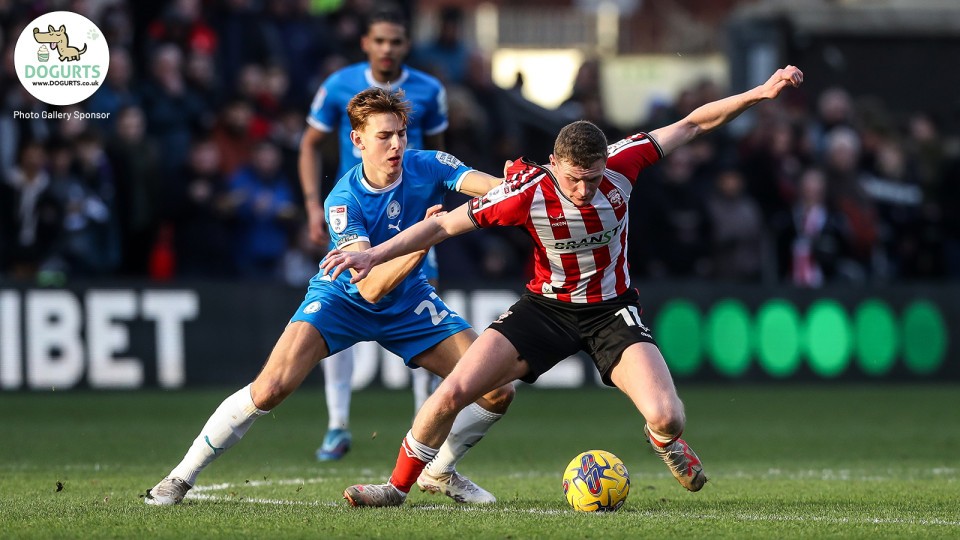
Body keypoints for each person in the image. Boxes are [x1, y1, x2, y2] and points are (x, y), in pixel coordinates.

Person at [323, 65, 805, 506]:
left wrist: (760, 93)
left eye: (593, 179)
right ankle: (396, 487)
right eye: (574, 179)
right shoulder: (525, 193)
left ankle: (664, 442)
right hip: (544, 311)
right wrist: (372, 253)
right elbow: (442, 227)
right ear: (554, 163)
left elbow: (694, 123)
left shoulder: (624, 162)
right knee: (453, 391)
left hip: (611, 310)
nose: (584, 190)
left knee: (668, 417)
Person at [145, 88, 515, 506]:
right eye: (384, 136)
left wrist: (524, 183)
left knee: (497, 388)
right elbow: (370, 286)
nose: (396, 145)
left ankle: (440, 471)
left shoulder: (429, 164)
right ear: (357, 141)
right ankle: (179, 477)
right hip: (343, 300)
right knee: (270, 388)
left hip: (410, 300)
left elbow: (494, 189)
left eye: (402, 134)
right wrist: (425, 239)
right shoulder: (343, 200)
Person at [298, 7, 448, 461]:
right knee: (339, 307)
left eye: (396, 42)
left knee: (426, 311)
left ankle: (425, 432)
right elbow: (309, 144)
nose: (388, 49)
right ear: (366, 42)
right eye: (380, 40)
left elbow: (437, 155)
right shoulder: (340, 85)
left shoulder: (430, 89)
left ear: (406, 45)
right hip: (356, 218)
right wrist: (310, 205)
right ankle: (337, 424)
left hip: (412, 219)